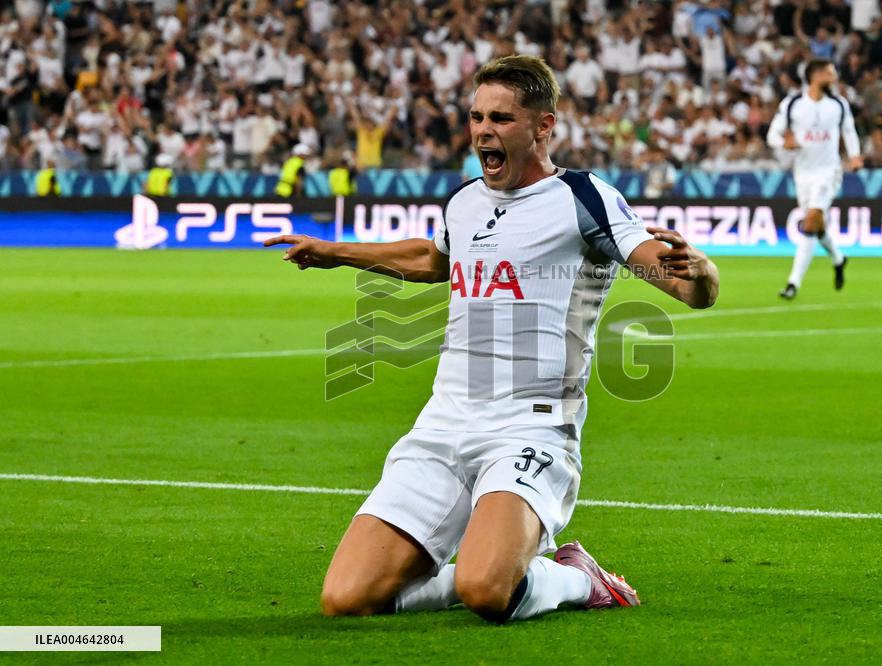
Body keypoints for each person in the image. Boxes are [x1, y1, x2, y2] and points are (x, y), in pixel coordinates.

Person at [264, 55, 719, 624]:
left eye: (501, 118)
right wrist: (335, 251)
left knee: (486, 593)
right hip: (443, 425)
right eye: (477, 116)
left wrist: (700, 274)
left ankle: (579, 578)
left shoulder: (583, 197)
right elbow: (433, 259)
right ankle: (487, 565)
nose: (483, 130)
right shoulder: (465, 200)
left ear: (543, 127)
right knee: (346, 600)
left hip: (531, 426)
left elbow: (681, 279)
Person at [767, 59, 862, 300]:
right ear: (814, 75)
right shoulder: (792, 105)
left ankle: (792, 284)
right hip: (803, 173)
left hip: (829, 171)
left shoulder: (838, 104)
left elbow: (849, 131)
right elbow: (772, 135)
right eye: (829, 72)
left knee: (809, 223)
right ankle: (839, 258)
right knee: (817, 226)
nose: (834, 76)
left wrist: (854, 156)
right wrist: (783, 143)